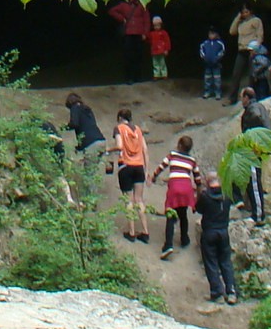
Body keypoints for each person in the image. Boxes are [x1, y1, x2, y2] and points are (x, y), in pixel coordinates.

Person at [196, 167, 239, 306]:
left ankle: (217, 293)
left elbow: (198, 209)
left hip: (209, 232)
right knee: (226, 262)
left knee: (211, 263)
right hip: (223, 231)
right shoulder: (227, 195)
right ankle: (231, 292)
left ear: (208, 182)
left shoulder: (205, 196)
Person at [154, 135, 199, 258]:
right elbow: (197, 177)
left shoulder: (173, 155)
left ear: (179, 145)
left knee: (170, 214)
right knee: (183, 214)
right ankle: (184, 238)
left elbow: (161, 166)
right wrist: (198, 192)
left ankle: (168, 245)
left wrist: (153, 176)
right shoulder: (192, 160)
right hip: (186, 188)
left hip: (174, 188)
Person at [113, 106, 151, 242]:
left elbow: (119, 146)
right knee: (139, 199)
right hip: (139, 166)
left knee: (128, 200)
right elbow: (145, 150)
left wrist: (108, 149)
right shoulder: (139, 130)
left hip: (126, 166)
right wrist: (146, 171)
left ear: (119, 118)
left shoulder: (119, 128)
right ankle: (145, 232)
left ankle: (132, 232)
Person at [235, 87, 269, 225]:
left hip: (253, 151)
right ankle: (254, 211)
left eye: (242, 97)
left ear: (246, 98)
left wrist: (253, 141)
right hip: (252, 150)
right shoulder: (258, 107)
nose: (241, 100)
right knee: (250, 180)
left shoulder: (253, 109)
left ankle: (259, 215)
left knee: (254, 182)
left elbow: (257, 119)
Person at [108, 0, 152, 83]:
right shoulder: (123, 5)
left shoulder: (141, 5)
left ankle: (137, 77)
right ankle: (129, 78)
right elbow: (112, 11)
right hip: (128, 33)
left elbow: (146, 19)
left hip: (139, 33)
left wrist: (145, 33)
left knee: (138, 57)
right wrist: (122, 19)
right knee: (128, 56)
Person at [228, 4, 264, 92]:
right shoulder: (240, 22)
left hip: (252, 50)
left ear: (250, 11)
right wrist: (237, 18)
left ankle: (251, 95)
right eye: (243, 12)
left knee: (252, 74)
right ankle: (232, 97)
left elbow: (260, 35)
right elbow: (232, 31)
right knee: (236, 74)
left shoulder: (256, 20)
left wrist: (256, 48)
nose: (245, 14)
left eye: (246, 12)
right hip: (241, 49)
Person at [62, 92, 105, 160]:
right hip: (101, 141)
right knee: (95, 168)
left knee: (88, 169)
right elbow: (86, 127)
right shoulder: (87, 109)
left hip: (91, 144)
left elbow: (74, 123)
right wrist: (79, 147)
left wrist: (64, 127)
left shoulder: (75, 108)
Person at [198, 28, 226, 100]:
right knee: (207, 79)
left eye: (213, 33)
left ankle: (218, 93)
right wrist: (204, 58)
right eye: (210, 33)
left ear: (216, 34)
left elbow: (222, 51)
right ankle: (207, 92)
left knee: (217, 80)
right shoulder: (205, 43)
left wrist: (217, 59)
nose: (211, 35)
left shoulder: (220, 43)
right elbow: (201, 50)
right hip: (207, 64)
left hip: (216, 65)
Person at [147, 15, 172, 80]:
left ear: (161, 25)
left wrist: (167, 49)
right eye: (155, 26)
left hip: (162, 51)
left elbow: (167, 41)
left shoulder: (164, 33)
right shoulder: (151, 33)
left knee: (162, 63)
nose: (156, 27)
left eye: (158, 25)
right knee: (155, 63)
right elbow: (149, 40)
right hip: (154, 51)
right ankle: (156, 74)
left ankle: (164, 74)